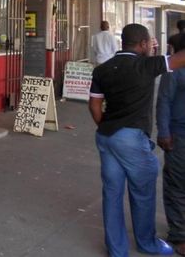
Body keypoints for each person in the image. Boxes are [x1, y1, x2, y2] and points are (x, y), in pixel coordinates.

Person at [89, 23, 185, 257]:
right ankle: (147, 243)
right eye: (150, 42)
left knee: (112, 193)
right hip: (131, 138)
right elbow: (178, 60)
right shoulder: (146, 65)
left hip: (106, 136)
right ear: (142, 44)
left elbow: (94, 105)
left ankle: (117, 250)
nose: (152, 46)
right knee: (142, 192)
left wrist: (107, 127)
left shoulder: (102, 69)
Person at [157, 33, 185, 256]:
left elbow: (164, 101)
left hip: (178, 136)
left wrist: (164, 133)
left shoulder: (174, 71)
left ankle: (180, 236)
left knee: (176, 186)